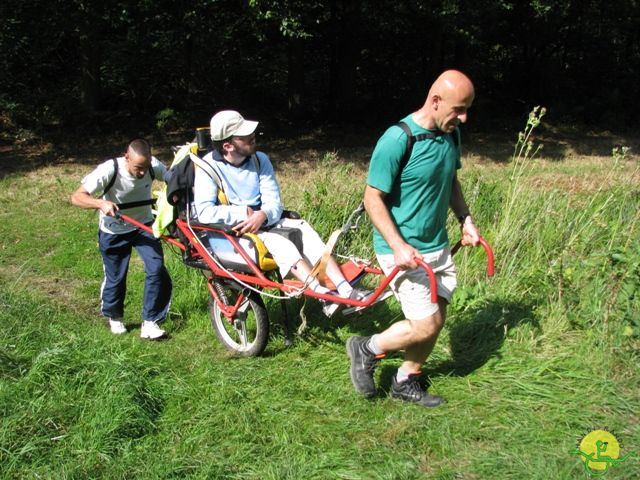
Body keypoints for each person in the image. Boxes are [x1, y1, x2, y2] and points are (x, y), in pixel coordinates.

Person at [346, 70, 481, 407]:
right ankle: (366, 347)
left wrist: (466, 220)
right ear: (435, 101)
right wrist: (397, 245)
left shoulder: (452, 135)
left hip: (436, 244)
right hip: (402, 248)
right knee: (425, 324)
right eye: (458, 109)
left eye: (466, 110)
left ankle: (406, 379)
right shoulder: (397, 138)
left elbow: (450, 181)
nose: (463, 118)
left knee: (437, 317)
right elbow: (372, 198)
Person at [192, 110, 369, 315]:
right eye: (245, 135)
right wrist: (243, 213)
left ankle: (346, 290)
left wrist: (264, 214)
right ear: (228, 146)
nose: (253, 136)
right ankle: (322, 296)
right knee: (282, 244)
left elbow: (274, 201)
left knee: (307, 233)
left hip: (268, 220)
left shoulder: (260, 160)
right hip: (237, 231)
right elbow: (204, 212)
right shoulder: (207, 167)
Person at [71, 139, 172, 339]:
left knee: (157, 268)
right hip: (114, 230)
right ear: (126, 157)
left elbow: (173, 178)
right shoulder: (110, 169)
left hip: (143, 226)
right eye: (138, 168)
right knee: (116, 277)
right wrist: (100, 203)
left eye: (146, 167)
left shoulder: (153, 165)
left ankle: (150, 322)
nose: (143, 173)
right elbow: (76, 197)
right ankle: (115, 316)